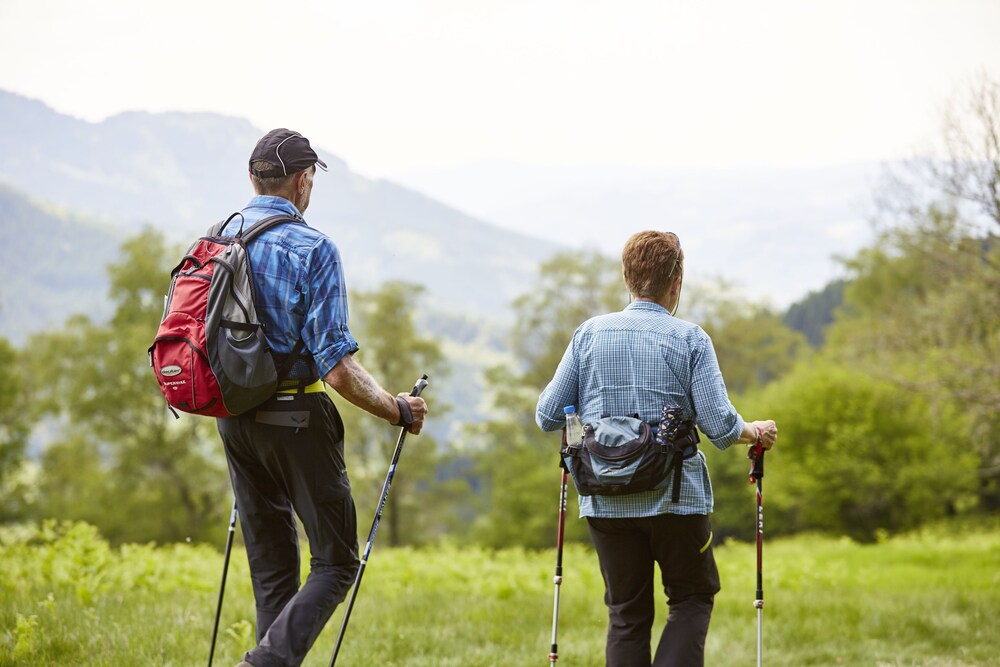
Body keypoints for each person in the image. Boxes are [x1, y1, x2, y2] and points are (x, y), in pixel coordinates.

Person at [216, 128, 428, 667]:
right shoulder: (313, 247)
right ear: (303, 180)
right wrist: (397, 410)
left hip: (233, 418)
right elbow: (336, 368)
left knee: (272, 569)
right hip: (296, 419)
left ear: (252, 178)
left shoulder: (219, 236)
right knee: (335, 562)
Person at [535, 230, 777, 667]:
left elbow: (547, 415)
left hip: (605, 501)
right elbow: (720, 426)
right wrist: (753, 431)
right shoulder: (690, 339)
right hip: (676, 500)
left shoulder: (588, 335)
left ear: (626, 277)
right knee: (691, 598)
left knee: (626, 615)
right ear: (676, 281)